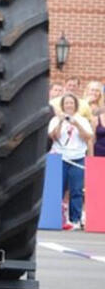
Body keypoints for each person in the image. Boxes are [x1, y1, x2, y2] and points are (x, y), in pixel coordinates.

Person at [48, 93, 93, 231]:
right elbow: (52, 136)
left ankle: (75, 219)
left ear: (76, 105)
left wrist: (77, 124)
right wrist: (62, 121)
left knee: (76, 190)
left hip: (77, 158)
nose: (69, 105)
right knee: (57, 189)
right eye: (66, 103)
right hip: (60, 157)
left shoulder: (83, 120)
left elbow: (88, 137)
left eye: (71, 103)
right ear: (62, 105)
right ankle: (54, 218)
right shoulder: (56, 119)